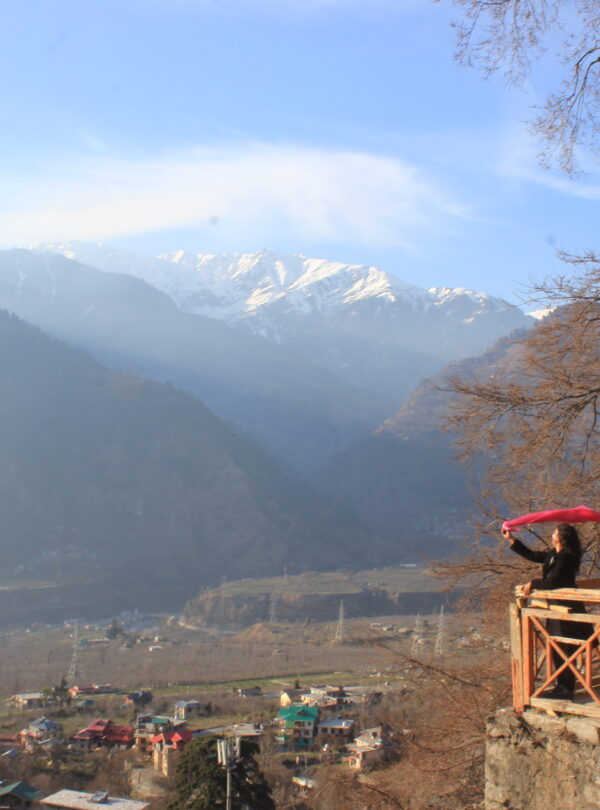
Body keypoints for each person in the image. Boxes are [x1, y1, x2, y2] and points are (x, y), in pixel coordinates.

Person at [503, 523, 589, 700]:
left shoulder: (567, 557)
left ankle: (566, 690)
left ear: (562, 537)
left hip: (566, 608)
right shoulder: (554, 554)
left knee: (565, 648)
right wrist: (511, 540)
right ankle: (562, 687)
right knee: (557, 648)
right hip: (556, 609)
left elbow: (553, 582)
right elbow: (533, 555)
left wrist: (533, 584)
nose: (552, 534)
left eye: (555, 532)